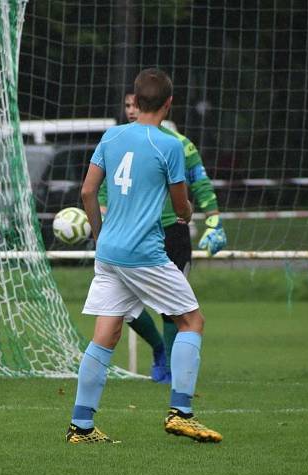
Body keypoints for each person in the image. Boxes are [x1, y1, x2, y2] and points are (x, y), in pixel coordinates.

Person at [66, 68, 222, 444]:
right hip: (143, 253)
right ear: (169, 103)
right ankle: (181, 412)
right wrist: (187, 215)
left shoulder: (112, 135)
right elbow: (181, 203)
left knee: (106, 333)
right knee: (192, 321)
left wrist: (101, 234)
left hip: (109, 252)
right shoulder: (168, 144)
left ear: (135, 101)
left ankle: (80, 426)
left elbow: (88, 192)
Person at [98, 91, 226, 383]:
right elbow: (100, 191)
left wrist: (215, 222)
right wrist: (104, 220)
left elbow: (201, 185)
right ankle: (159, 351)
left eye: (135, 104)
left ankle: (168, 369)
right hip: (132, 236)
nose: (131, 110)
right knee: (122, 309)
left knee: (174, 309)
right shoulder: (117, 142)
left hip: (172, 233)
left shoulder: (179, 145)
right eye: (127, 105)